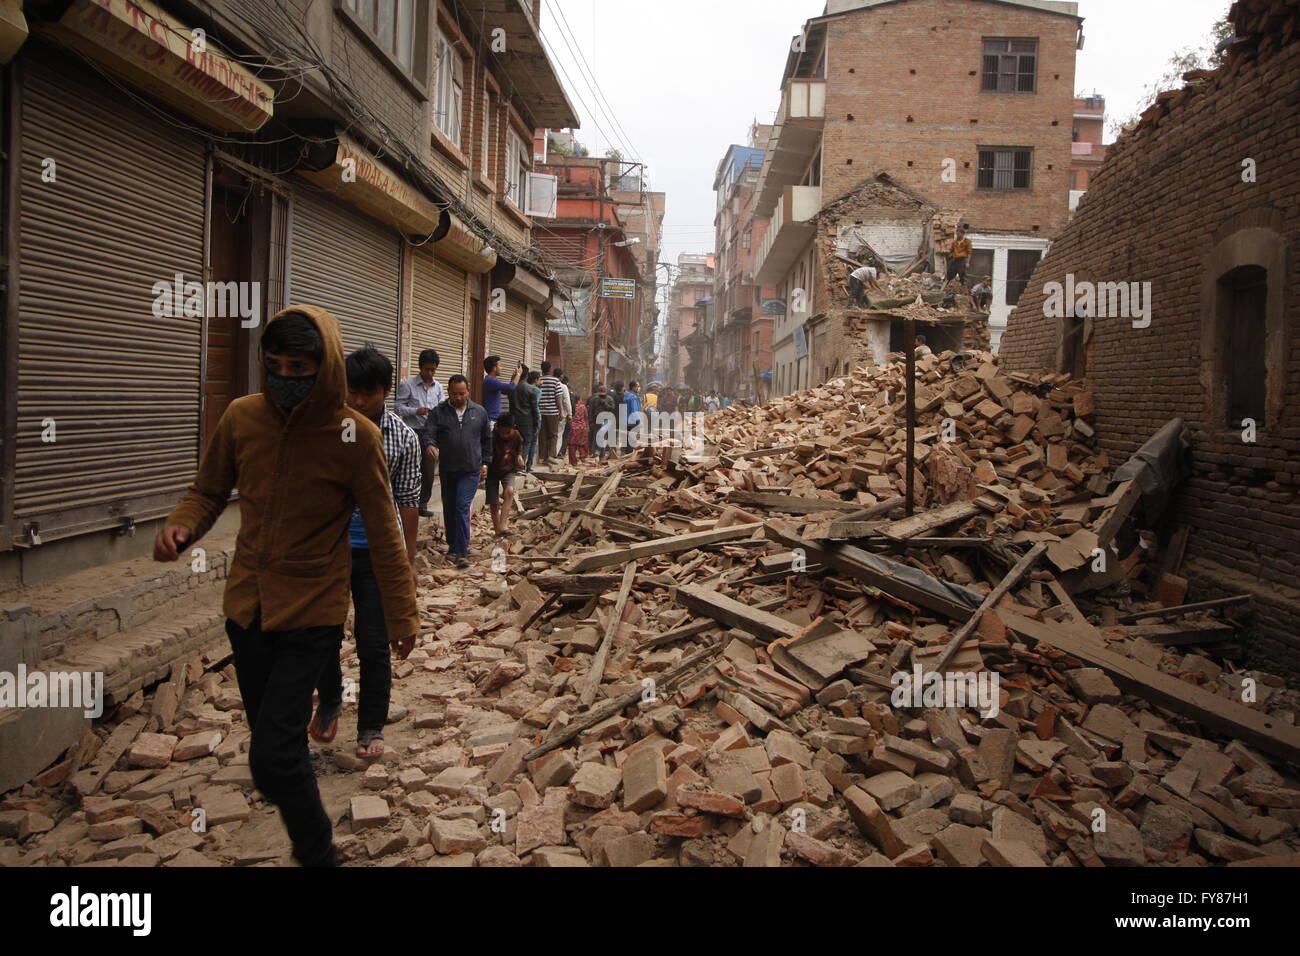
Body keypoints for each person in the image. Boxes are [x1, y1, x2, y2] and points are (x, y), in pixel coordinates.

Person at [153, 308, 418, 868]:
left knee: (271, 758)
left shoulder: (356, 437)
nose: (283, 377)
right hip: (246, 609)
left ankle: (318, 853)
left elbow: (384, 529)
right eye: (272, 365)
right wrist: (182, 525)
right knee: (281, 750)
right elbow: (206, 491)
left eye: (297, 367)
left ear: (323, 370)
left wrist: (402, 615)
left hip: (313, 610)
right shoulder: (241, 417)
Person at [311, 346, 420, 760]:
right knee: (322, 635)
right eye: (351, 392)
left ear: (386, 391)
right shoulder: (325, 429)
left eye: (368, 393)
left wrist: (407, 561)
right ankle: (331, 701)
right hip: (329, 549)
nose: (358, 401)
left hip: (377, 552)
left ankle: (371, 726)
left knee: (374, 643)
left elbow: (408, 500)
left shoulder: (402, 437)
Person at [428, 374, 491, 568]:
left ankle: (462, 551)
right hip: (448, 469)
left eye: (462, 393)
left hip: (470, 469)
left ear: (468, 392)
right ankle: (453, 547)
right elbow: (428, 432)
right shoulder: (439, 412)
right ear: (448, 392)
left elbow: (487, 440)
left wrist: (486, 463)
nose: (458, 397)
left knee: (462, 507)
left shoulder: (479, 412)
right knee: (450, 508)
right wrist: (430, 444)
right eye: (454, 394)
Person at [395, 349, 445, 518]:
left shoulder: (438, 387)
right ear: (420, 368)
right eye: (427, 369)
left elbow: (442, 408)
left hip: (430, 435)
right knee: (409, 470)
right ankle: (405, 503)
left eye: (433, 370)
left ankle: (422, 504)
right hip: (412, 433)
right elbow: (398, 407)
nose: (430, 373)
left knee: (428, 471)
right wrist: (416, 411)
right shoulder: (407, 385)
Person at [485, 414, 525, 538]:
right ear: (497, 428)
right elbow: (486, 452)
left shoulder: (517, 435)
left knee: (509, 491)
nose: (505, 435)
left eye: (508, 432)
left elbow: (519, 448)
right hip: (492, 471)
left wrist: (519, 456)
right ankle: (497, 530)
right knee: (493, 502)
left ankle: (503, 525)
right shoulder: (491, 436)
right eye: (502, 432)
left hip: (508, 469)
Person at [481, 355, 522, 430]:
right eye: (500, 366)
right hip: (491, 421)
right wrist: (519, 374)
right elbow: (511, 388)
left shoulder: (490, 380)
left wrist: (513, 378)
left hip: (493, 420)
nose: (501, 368)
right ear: (494, 368)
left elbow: (507, 391)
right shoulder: (491, 381)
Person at [514, 369, 542, 471]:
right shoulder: (531, 389)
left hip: (515, 420)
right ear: (526, 376)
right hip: (527, 421)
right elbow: (535, 408)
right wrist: (537, 424)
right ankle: (521, 467)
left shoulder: (514, 387)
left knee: (517, 443)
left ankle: (516, 466)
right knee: (526, 443)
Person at [537, 361, 562, 466]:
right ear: (550, 369)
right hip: (552, 412)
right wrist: (560, 411)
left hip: (541, 411)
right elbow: (558, 398)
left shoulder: (538, 380)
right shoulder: (555, 381)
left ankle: (543, 457)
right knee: (553, 435)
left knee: (542, 435)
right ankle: (551, 456)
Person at [587, 384, 616, 460]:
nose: (601, 397)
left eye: (603, 395)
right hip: (597, 421)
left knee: (602, 437)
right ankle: (598, 453)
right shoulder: (594, 399)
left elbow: (612, 409)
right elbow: (591, 411)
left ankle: (600, 454)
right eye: (600, 395)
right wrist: (590, 421)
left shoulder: (610, 399)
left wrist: (605, 404)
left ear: (606, 392)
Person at [568, 392, 589, 464]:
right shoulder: (583, 407)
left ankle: (573, 462)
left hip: (573, 428)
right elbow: (586, 417)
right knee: (582, 443)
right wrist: (586, 426)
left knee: (572, 444)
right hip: (582, 427)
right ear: (579, 400)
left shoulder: (571, 407)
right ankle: (583, 456)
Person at [622, 380, 643, 453]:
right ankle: (629, 455)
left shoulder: (626, 395)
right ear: (633, 387)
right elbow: (634, 411)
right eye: (638, 386)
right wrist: (638, 421)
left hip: (626, 420)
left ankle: (625, 452)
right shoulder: (634, 397)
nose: (639, 388)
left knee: (627, 438)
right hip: (633, 421)